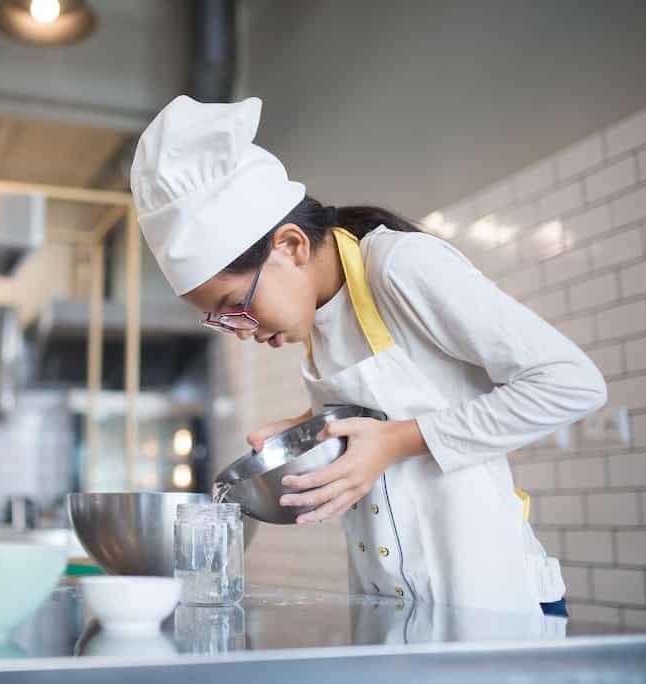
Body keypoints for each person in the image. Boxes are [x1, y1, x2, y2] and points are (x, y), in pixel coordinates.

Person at [129, 95, 607, 619]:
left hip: (494, 604)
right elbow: (395, 409)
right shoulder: (316, 316)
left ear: (290, 247)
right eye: (219, 319)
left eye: (235, 306)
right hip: (394, 611)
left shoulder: (400, 266)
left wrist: (398, 442)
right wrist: (309, 429)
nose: (239, 330)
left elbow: (571, 382)